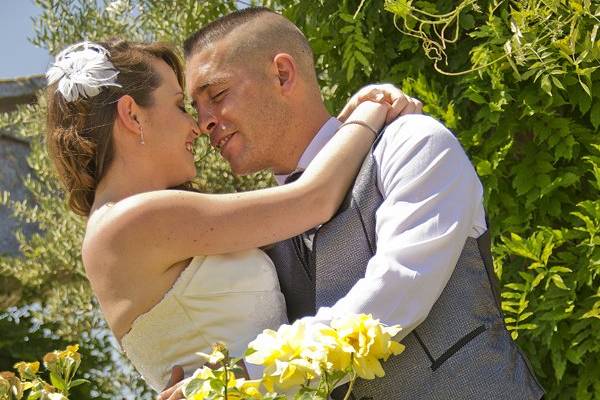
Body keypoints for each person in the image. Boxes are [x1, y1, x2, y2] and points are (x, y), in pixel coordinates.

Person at [161, 6, 545, 400]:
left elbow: (395, 298)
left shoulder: (409, 142)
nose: (204, 122)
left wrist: (239, 378)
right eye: (197, 108)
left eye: (217, 95)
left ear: (282, 74)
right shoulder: (255, 232)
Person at [45, 39, 418, 392]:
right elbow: (313, 201)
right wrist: (373, 109)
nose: (195, 127)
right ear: (131, 114)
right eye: (178, 105)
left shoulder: (121, 225)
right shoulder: (137, 219)